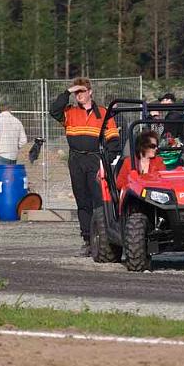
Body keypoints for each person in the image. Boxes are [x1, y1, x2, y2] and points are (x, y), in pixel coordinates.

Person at [50, 77, 120, 256]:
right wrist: (67, 91)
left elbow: (113, 141)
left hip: (95, 160)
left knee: (98, 200)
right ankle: (88, 240)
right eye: (76, 93)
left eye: (82, 91)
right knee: (82, 201)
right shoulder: (70, 113)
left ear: (90, 92)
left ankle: (103, 238)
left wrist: (105, 162)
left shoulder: (104, 113)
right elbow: (54, 110)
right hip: (76, 160)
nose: (78, 95)